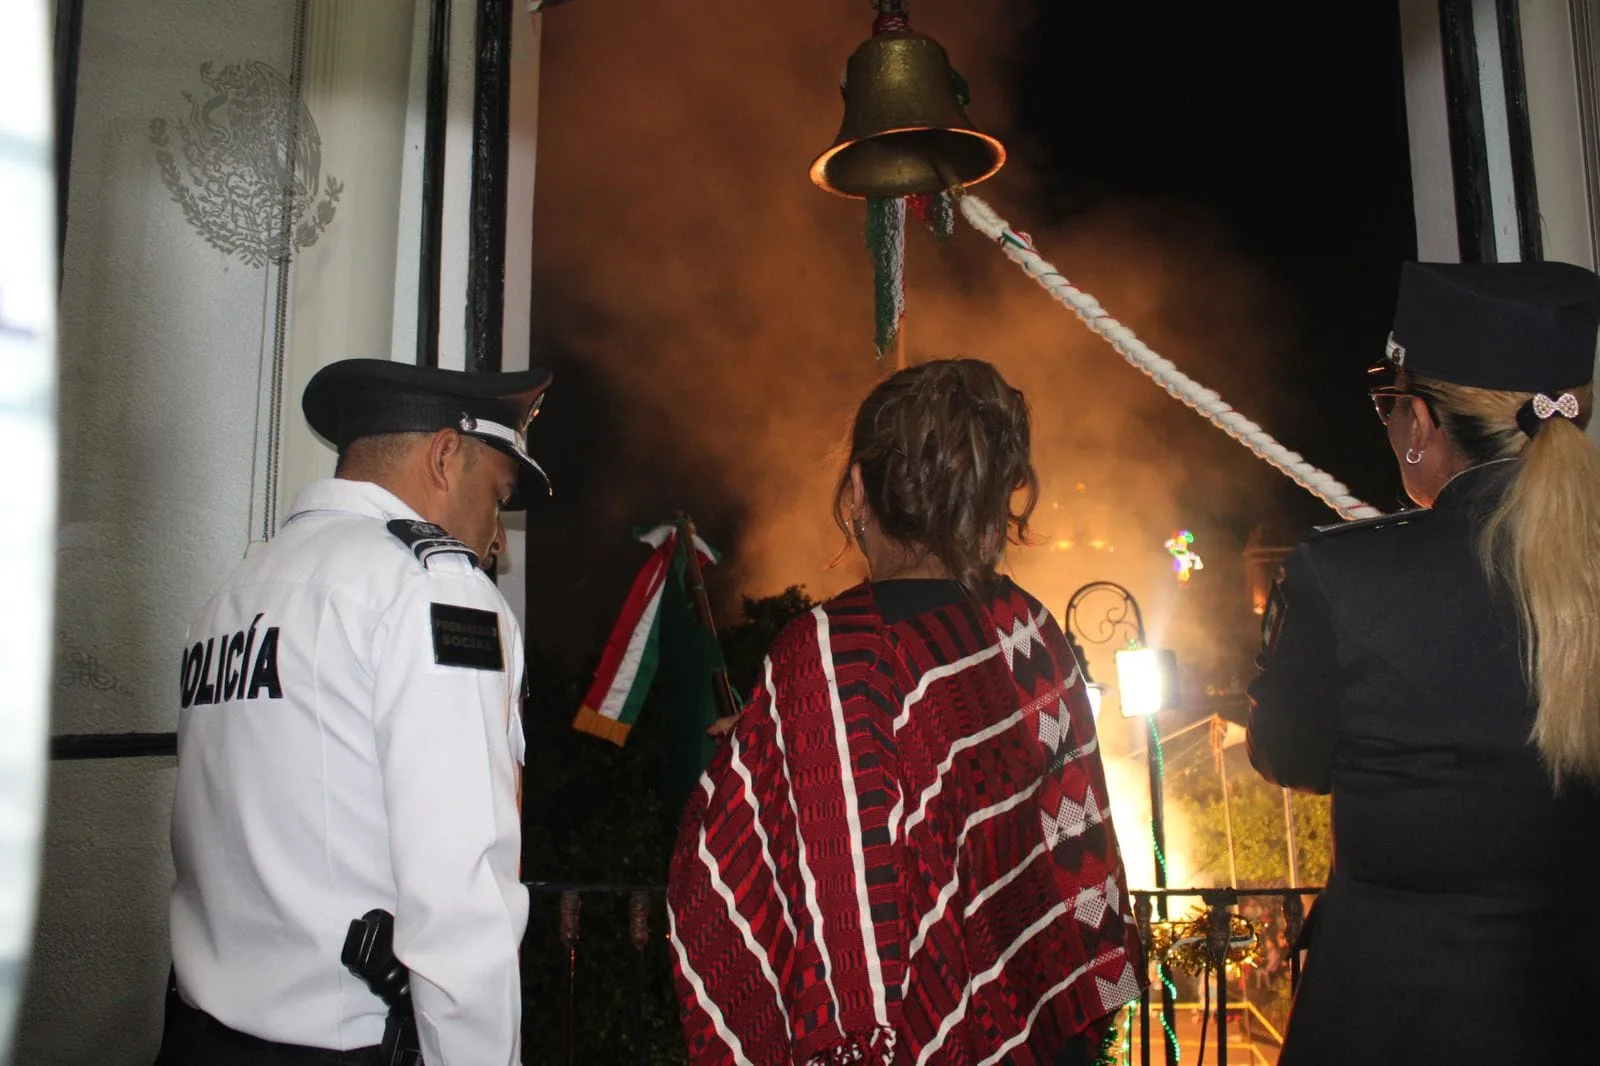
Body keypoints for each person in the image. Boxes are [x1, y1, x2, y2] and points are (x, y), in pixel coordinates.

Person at [668, 358, 1144, 1066]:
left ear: (858, 489)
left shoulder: (832, 653)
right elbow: (1040, 829)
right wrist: (783, 742)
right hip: (1043, 1033)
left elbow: (759, 880)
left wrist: (775, 747)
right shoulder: (1028, 630)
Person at [1247, 261, 1600, 1065]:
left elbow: (1286, 754)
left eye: (1391, 406)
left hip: (1396, 1022)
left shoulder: (1347, 574)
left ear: (1420, 421)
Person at [155, 358, 551, 1065]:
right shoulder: (433, 596)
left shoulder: (234, 594)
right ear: (444, 456)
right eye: (498, 497)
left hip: (197, 1035)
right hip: (342, 1045)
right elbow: (459, 905)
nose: (496, 539)